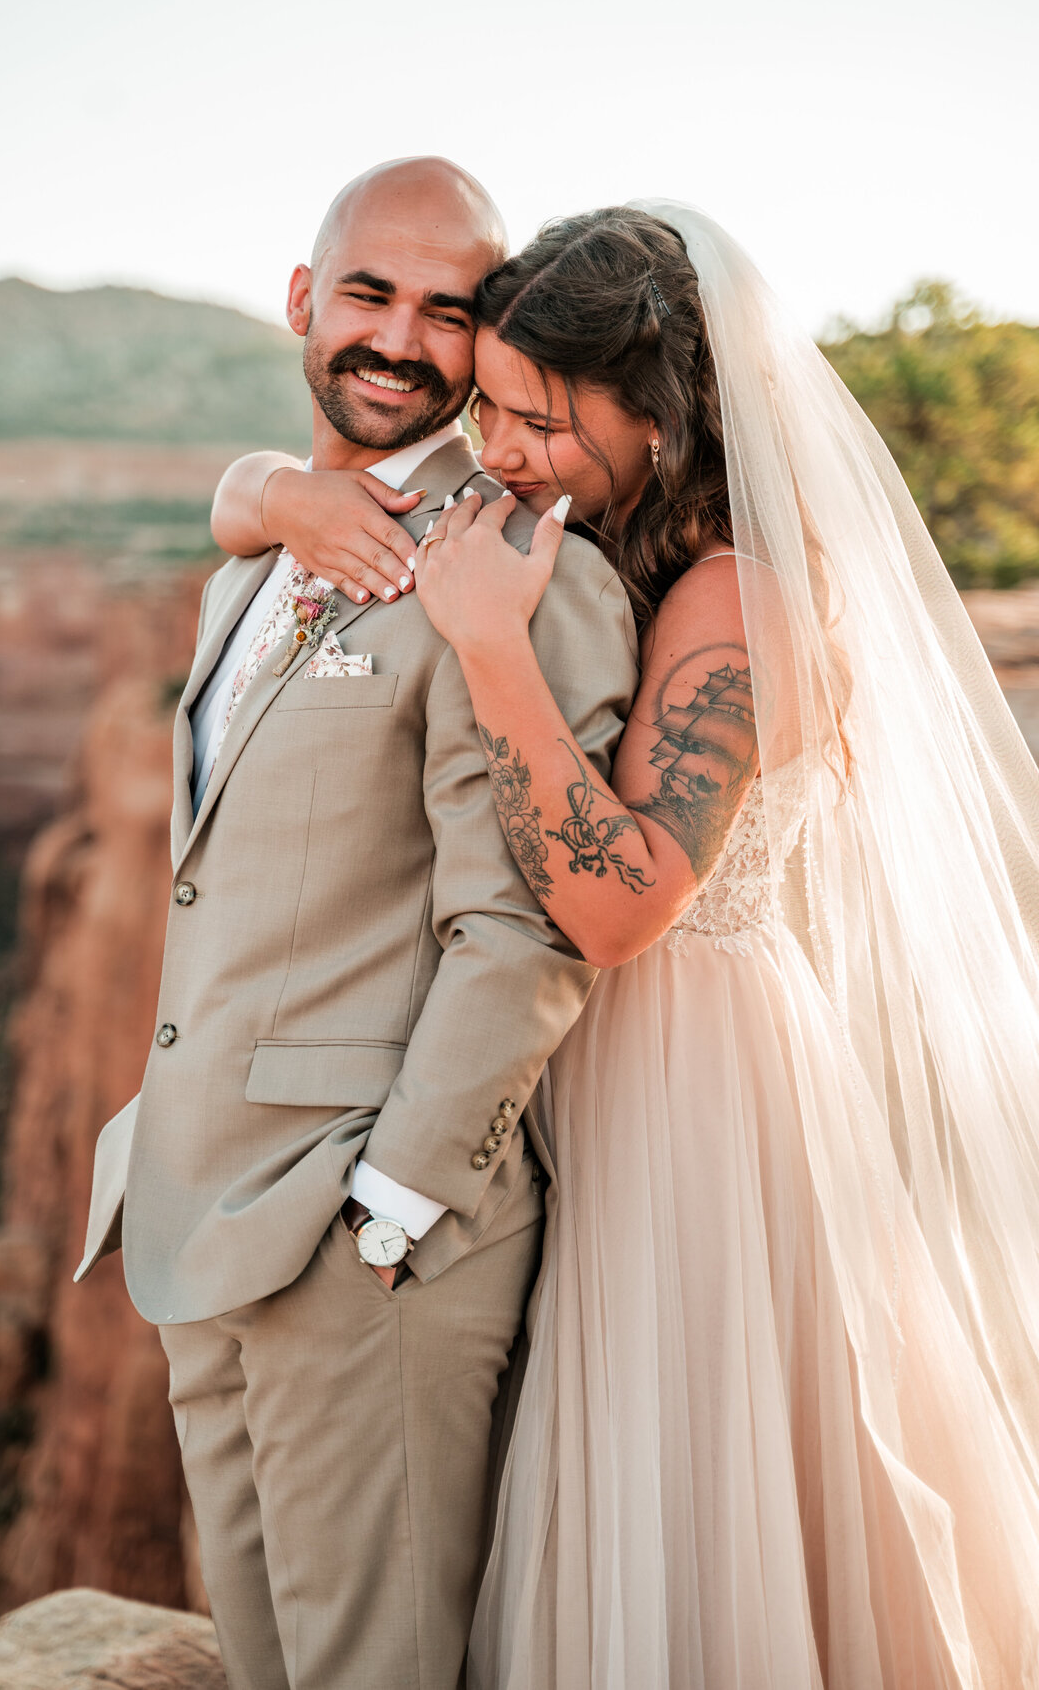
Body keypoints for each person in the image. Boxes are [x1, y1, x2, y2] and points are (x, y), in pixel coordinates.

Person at [215, 204, 1039, 1687]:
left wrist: (486, 643)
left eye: (538, 418)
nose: (504, 449)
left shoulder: (741, 597)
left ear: (659, 416)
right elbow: (250, 512)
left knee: (696, 1506)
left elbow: (623, 897)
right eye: (493, 411)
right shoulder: (620, 547)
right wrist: (271, 485)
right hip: (600, 1073)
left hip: (702, 1100)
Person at [73, 158, 641, 1690]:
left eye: (448, 311)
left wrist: (387, 1216)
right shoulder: (252, 561)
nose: (400, 340)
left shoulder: (520, 572)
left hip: (364, 1252)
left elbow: (517, 929)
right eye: (371, 294)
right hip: (197, 1222)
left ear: (487, 342)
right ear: (302, 299)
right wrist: (264, 490)